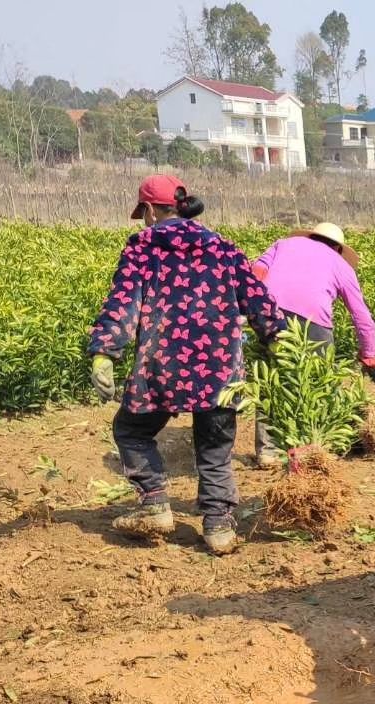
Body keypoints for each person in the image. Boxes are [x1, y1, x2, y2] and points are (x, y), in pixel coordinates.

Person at [88, 174, 284, 554]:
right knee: (214, 448)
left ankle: (155, 503)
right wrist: (278, 338)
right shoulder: (222, 246)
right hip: (220, 369)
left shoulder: (143, 246)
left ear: (147, 209)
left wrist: (105, 351)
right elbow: (258, 299)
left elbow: (123, 302)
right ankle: (218, 526)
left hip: (162, 366)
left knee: (131, 430)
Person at [251, 222, 375, 468]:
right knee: (318, 383)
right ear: (337, 247)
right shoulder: (340, 264)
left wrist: (252, 308)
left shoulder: (283, 244)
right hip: (312, 322)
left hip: (266, 313)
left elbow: (256, 272)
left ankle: (268, 451)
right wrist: (368, 355)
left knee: (271, 380)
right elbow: (362, 318)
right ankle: (313, 446)